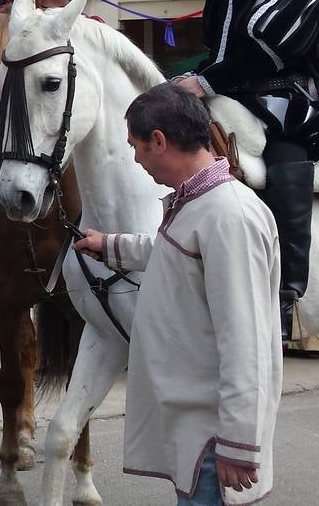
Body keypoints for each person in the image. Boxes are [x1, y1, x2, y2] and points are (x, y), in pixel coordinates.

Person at [74, 83, 280, 505]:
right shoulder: (198, 203)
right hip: (198, 431)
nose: (134, 158)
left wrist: (240, 442)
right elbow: (170, 251)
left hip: (214, 440)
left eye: (136, 146)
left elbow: (246, 339)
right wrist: (111, 245)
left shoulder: (229, 215)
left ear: (160, 140)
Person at [172, 0, 319, 340]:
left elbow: (274, 45)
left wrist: (205, 81)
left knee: (284, 157)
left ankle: (286, 294)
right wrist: (189, 81)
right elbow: (218, 50)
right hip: (227, 90)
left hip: (283, 96)